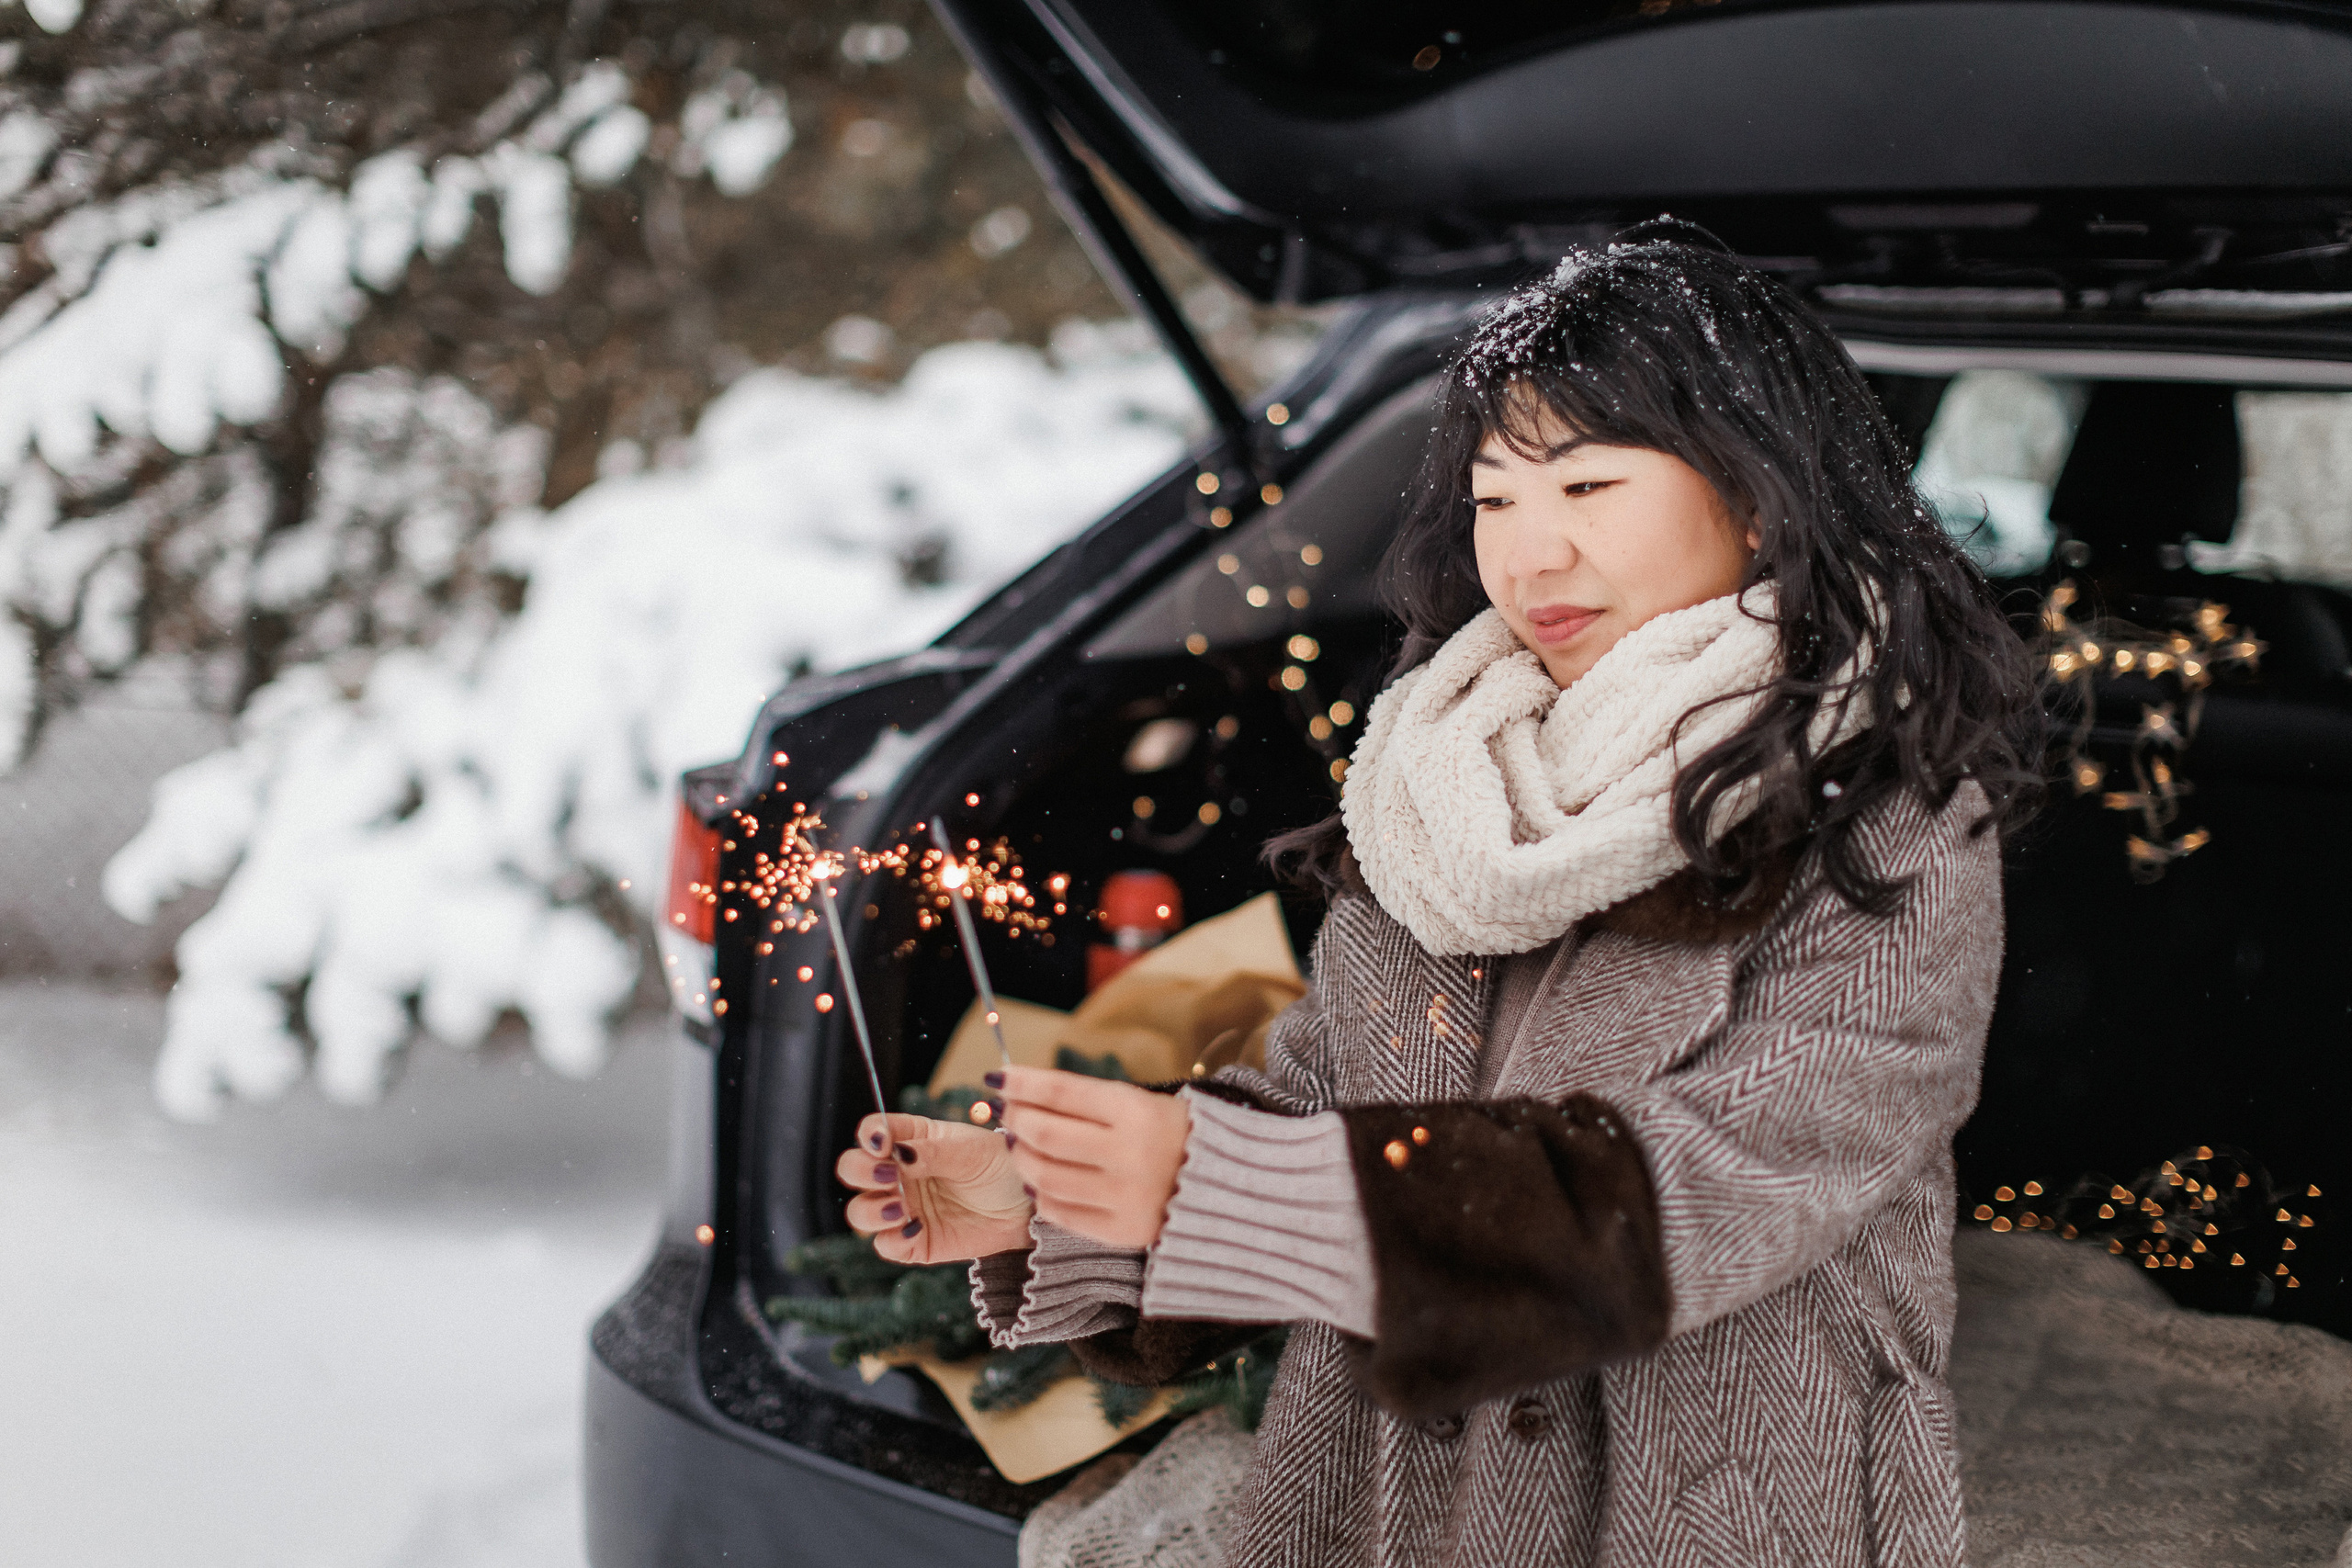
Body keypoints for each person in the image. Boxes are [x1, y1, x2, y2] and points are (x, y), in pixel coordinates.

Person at [832, 226, 2042, 1567]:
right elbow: (1314, 1101)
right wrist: (1059, 1199)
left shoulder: (1886, 813)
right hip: (1384, 1506)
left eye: (1586, 485)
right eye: (1497, 498)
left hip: (1710, 1506)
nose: (1530, 558)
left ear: (1757, 497)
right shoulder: (1440, 783)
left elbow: (1716, 1182)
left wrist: (1225, 1182)